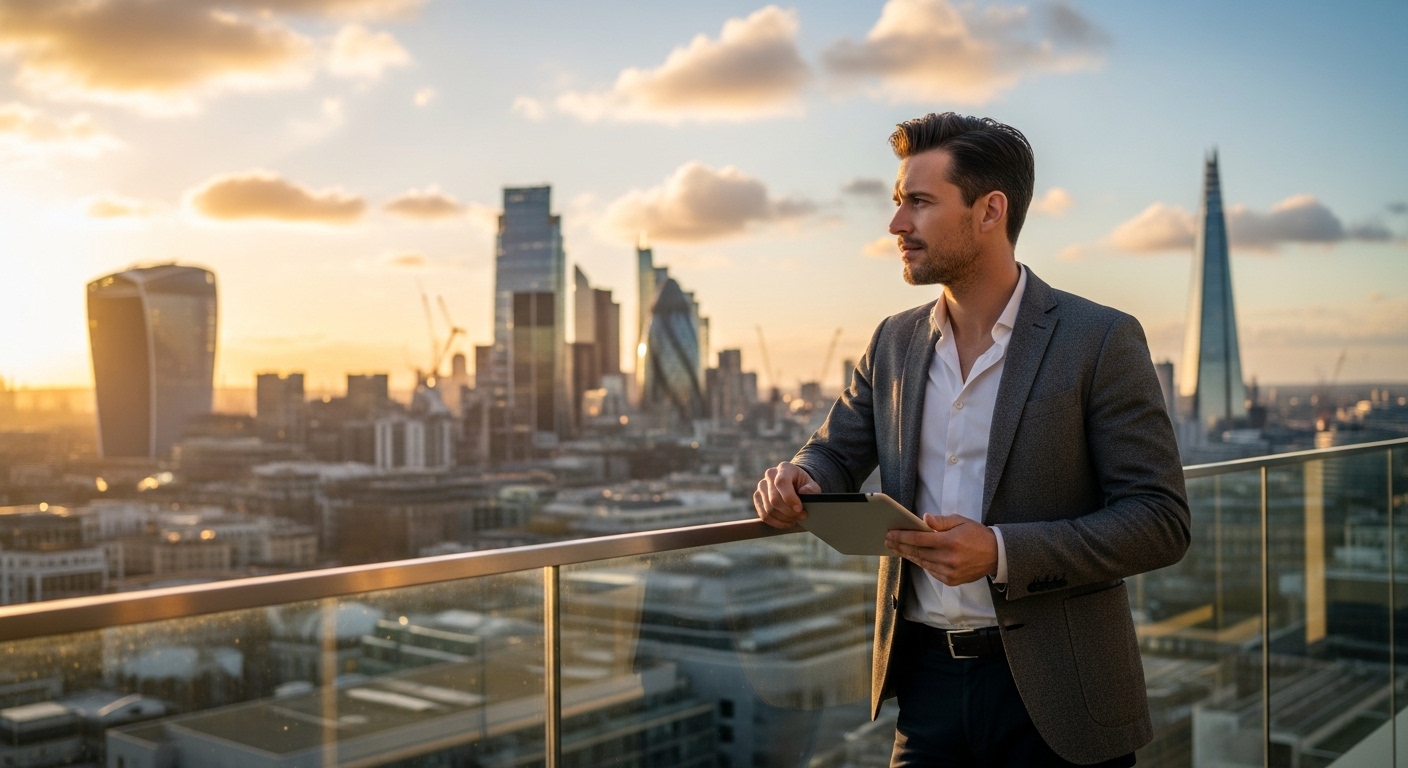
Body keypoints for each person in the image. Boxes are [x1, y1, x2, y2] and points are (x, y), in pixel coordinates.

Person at [752, 112, 1190, 767]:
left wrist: (1000, 552)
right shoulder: (893, 341)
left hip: (1062, 698)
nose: (896, 225)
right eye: (899, 203)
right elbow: (834, 452)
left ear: (990, 211)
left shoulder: (1099, 340)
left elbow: (1160, 521)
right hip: (925, 693)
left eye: (920, 203)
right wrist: (801, 477)